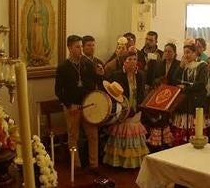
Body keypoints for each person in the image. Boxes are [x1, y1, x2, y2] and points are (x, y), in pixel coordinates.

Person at [54, 35, 104, 173]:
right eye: (77, 47)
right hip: (73, 107)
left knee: (93, 135)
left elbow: (96, 83)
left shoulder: (88, 63)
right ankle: (75, 166)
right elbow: (58, 90)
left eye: (82, 46)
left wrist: (100, 74)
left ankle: (94, 165)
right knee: (73, 136)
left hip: (88, 105)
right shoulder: (63, 67)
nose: (81, 50)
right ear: (69, 48)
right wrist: (69, 105)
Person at [103, 52, 149, 168]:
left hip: (136, 107)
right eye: (130, 59)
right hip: (123, 109)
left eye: (135, 59)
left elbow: (141, 92)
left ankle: (134, 161)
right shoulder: (117, 75)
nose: (133, 61)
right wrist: (124, 107)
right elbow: (113, 93)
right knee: (122, 132)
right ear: (124, 61)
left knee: (134, 131)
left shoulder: (141, 75)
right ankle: (120, 160)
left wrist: (139, 106)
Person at [169, 43, 208, 145]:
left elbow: (201, 84)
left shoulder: (202, 66)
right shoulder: (184, 66)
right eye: (184, 52)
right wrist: (180, 67)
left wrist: (185, 87)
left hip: (195, 102)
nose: (186, 55)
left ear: (195, 53)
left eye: (188, 52)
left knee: (195, 132)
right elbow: (173, 80)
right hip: (184, 103)